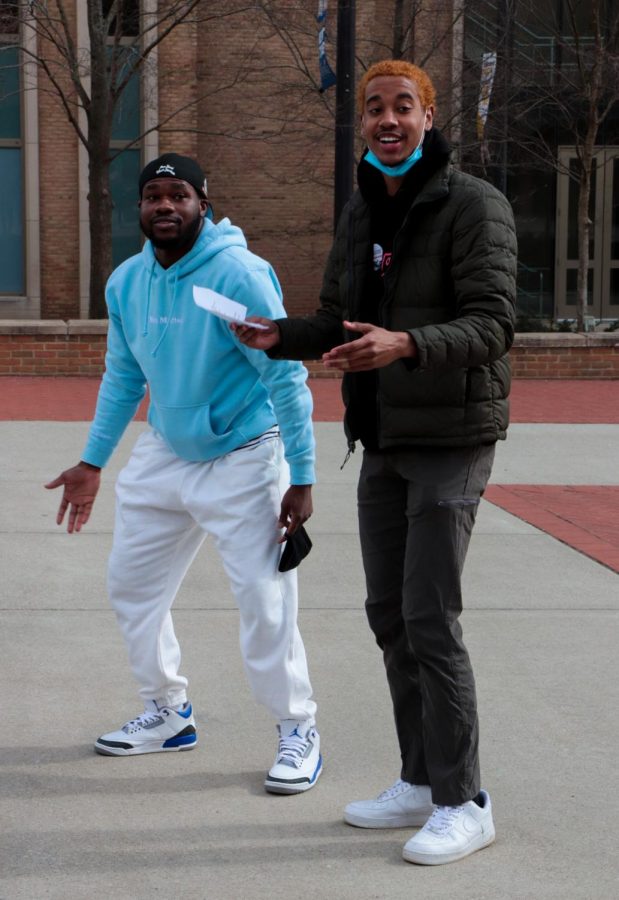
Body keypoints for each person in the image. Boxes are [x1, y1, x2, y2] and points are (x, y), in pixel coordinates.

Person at [233, 60, 517, 861]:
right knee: (389, 617)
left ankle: (467, 800)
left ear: (429, 117)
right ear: (361, 123)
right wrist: (280, 335)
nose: (386, 120)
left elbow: (493, 323)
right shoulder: (362, 210)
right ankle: (422, 781)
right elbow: (338, 319)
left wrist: (406, 344)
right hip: (384, 435)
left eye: (403, 107)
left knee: (430, 617)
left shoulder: (473, 205)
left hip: (451, 435)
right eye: (373, 109)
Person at [46, 152, 322, 795]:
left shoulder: (239, 274)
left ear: (204, 201)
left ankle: (297, 726)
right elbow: (123, 376)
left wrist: (300, 477)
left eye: (178, 195)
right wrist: (93, 462)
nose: (164, 206)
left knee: (263, 601)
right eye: (152, 196)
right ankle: (169, 714)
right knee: (131, 587)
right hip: (166, 450)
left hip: (244, 452)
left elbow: (286, 376)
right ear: (138, 207)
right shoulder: (125, 283)